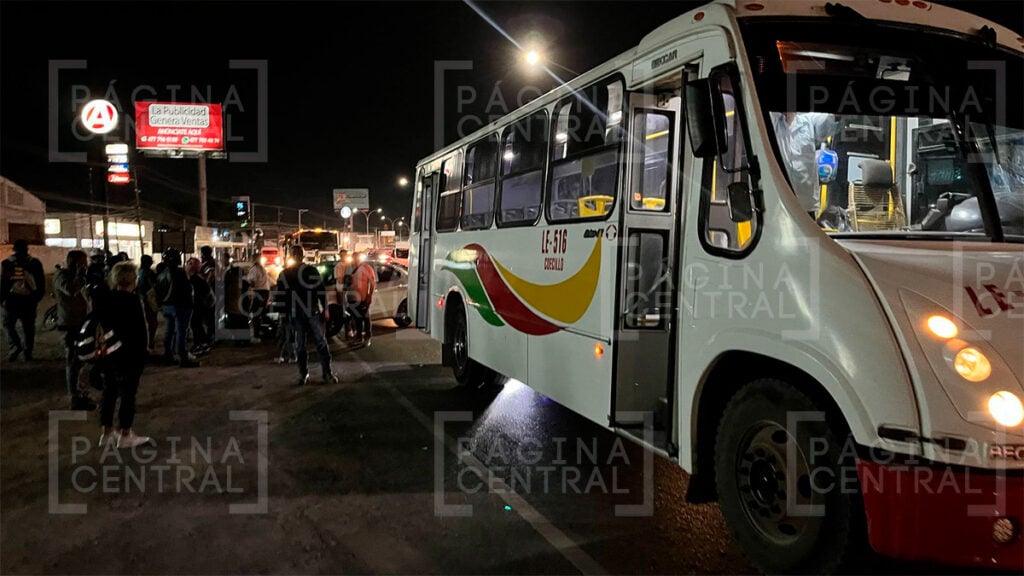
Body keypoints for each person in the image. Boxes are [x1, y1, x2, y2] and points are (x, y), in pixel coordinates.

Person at [97, 261, 152, 449]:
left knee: (109, 391)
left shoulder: (105, 298)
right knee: (128, 394)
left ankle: (106, 432)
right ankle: (125, 433)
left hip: (108, 353)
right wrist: (144, 352)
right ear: (132, 280)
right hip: (129, 354)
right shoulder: (133, 300)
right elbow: (139, 331)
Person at [274, 245, 337, 385]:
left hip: (302, 313)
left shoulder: (287, 273)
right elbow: (320, 290)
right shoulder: (307, 271)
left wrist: (283, 314)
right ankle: (318, 374)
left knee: (305, 345)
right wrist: (325, 309)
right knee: (312, 344)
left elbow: (280, 296)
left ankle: (312, 374)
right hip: (305, 312)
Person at [771, 111, 838, 217]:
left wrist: (837, 116)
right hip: (777, 204)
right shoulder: (771, 121)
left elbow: (827, 122)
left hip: (805, 205)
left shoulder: (808, 121)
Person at [53, 250, 96, 411]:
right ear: (76, 263)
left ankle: (80, 392)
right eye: (83, 262)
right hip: (69, 325)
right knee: (73, 361)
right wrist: (80, 276)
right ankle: (75, 397)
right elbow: (71, 291)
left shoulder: (77, 277)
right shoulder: (62, 276)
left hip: (79, 323)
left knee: (80, 361)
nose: (86, 266)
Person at [1, 239, 46, 361]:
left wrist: (2, 299)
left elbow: (4, 283)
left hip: (11, 300)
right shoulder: (35, 263)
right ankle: (27, 353)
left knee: (8, 325)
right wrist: (36, 298)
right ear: (27, 249)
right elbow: (41, 283)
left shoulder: (7, 263)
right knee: (28, 328)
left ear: (14, 249)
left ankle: (15, 345)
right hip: (29, 300)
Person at [155, 248, 199, 368]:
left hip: (167, 306)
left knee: (169, 332)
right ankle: (183, 358)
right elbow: (187, 290)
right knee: (181, 333)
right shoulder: (179, 273)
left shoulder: (161, 274)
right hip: (180, 306)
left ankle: (168, 355)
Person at [185, 257, 214, 355]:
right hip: (200, 306)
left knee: (196, 325)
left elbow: (202, 294)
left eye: (188, 264)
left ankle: (201, 344)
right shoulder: (199, 279)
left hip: (198, 306)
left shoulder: (194, 280)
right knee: (197, 325)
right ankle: (202, 343)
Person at [349, 255, 377, 347]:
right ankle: (359, 338)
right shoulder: (353, 268)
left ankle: (367, 338)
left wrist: (369, 296)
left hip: (363, 298)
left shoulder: (366, 268)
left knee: (365, 318)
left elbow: (372, 283)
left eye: (355, 258)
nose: (354, 260)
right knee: (357, 319)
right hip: (354, 299)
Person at [136, 254, 160, 355]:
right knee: (152, 323)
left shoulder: (139, 272)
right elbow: (153, 286)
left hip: (142, 299)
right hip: (149, 299)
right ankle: (150, 344)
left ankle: (148, 344)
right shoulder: (148, 273)